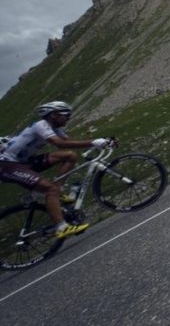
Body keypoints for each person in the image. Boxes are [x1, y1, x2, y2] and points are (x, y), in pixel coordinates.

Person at [0, 101, 114, 239]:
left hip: (24, 162)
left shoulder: (54, 127)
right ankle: (61, 227)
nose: (69, 118)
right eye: (66, 115)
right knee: (49, 189)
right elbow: (59, 144)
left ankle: (58, 192)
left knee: (69, 155)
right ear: (54, 115)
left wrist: (101, 143)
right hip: (7, 165)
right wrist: (93, 142)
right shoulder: (41, 125)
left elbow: (69, 142)